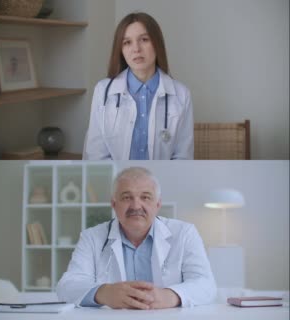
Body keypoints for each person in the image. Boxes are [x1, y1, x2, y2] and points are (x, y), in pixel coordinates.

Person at [56, 167, 215, 309]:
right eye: (126, 197)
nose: (136, 206)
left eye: (145, 197)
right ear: (114, 204)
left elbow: (206, 285)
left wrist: (169, 296)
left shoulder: (185, 233)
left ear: (157, 205)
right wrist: (104, 293)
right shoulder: (91, 237)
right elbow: (67, 286)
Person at [83, 12, 194, 160]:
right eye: (127, 42)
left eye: (144, 40)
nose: (136, 49)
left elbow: (183, 158)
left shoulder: (181, 94)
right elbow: (96, 155)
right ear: (121, 50)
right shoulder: (103, 91)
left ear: (157, 43)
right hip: (114, 181)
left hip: (164, 182)